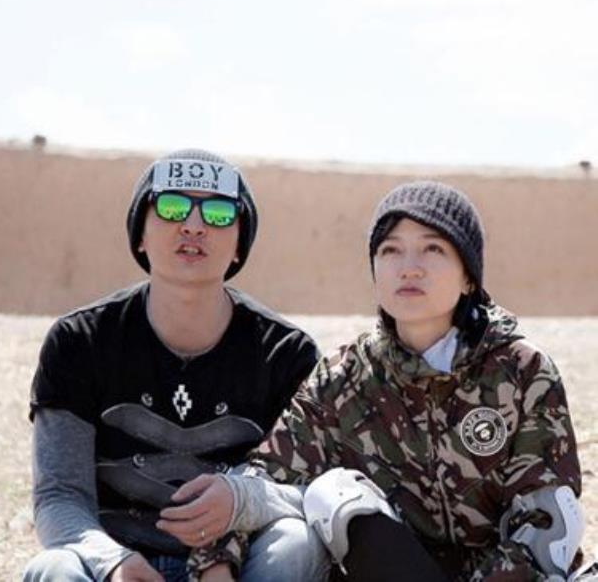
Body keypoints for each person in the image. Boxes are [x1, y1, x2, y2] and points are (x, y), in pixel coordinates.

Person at [159, 180, 591, 581]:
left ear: (468, 278)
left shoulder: (521, 372)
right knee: (332, 495)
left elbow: (543, 521)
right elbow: (268, 477)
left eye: (433, 249)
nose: (409, 268)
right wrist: (216, 558)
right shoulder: (343, 379)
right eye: (390, 250)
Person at [22, 149, 327, 582]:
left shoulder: (286, 353)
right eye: (171, 206)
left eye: (219, 213)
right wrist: (112, 562)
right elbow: (59, 495)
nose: (194, 225)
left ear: (239, 245)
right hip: (116, 565)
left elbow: (311, 492)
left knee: (298, 544)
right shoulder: (78, 341)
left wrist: (242, 501)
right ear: (140, 235)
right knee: (52, 568)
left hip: (234, 569)